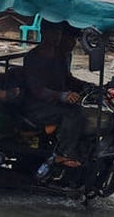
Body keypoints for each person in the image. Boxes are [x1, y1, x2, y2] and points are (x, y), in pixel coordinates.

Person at [21, 23, 91, 164]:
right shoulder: (33, 57)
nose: (56, 36)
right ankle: (63, 154)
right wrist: (62, 96)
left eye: (58, 32)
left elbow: (67, 79)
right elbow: (37, 90)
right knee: (73, 113)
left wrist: (88, 87)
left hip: (54, 104)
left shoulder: (60, 56)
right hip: (36, 106)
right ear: (44, 32)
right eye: (53, 32)